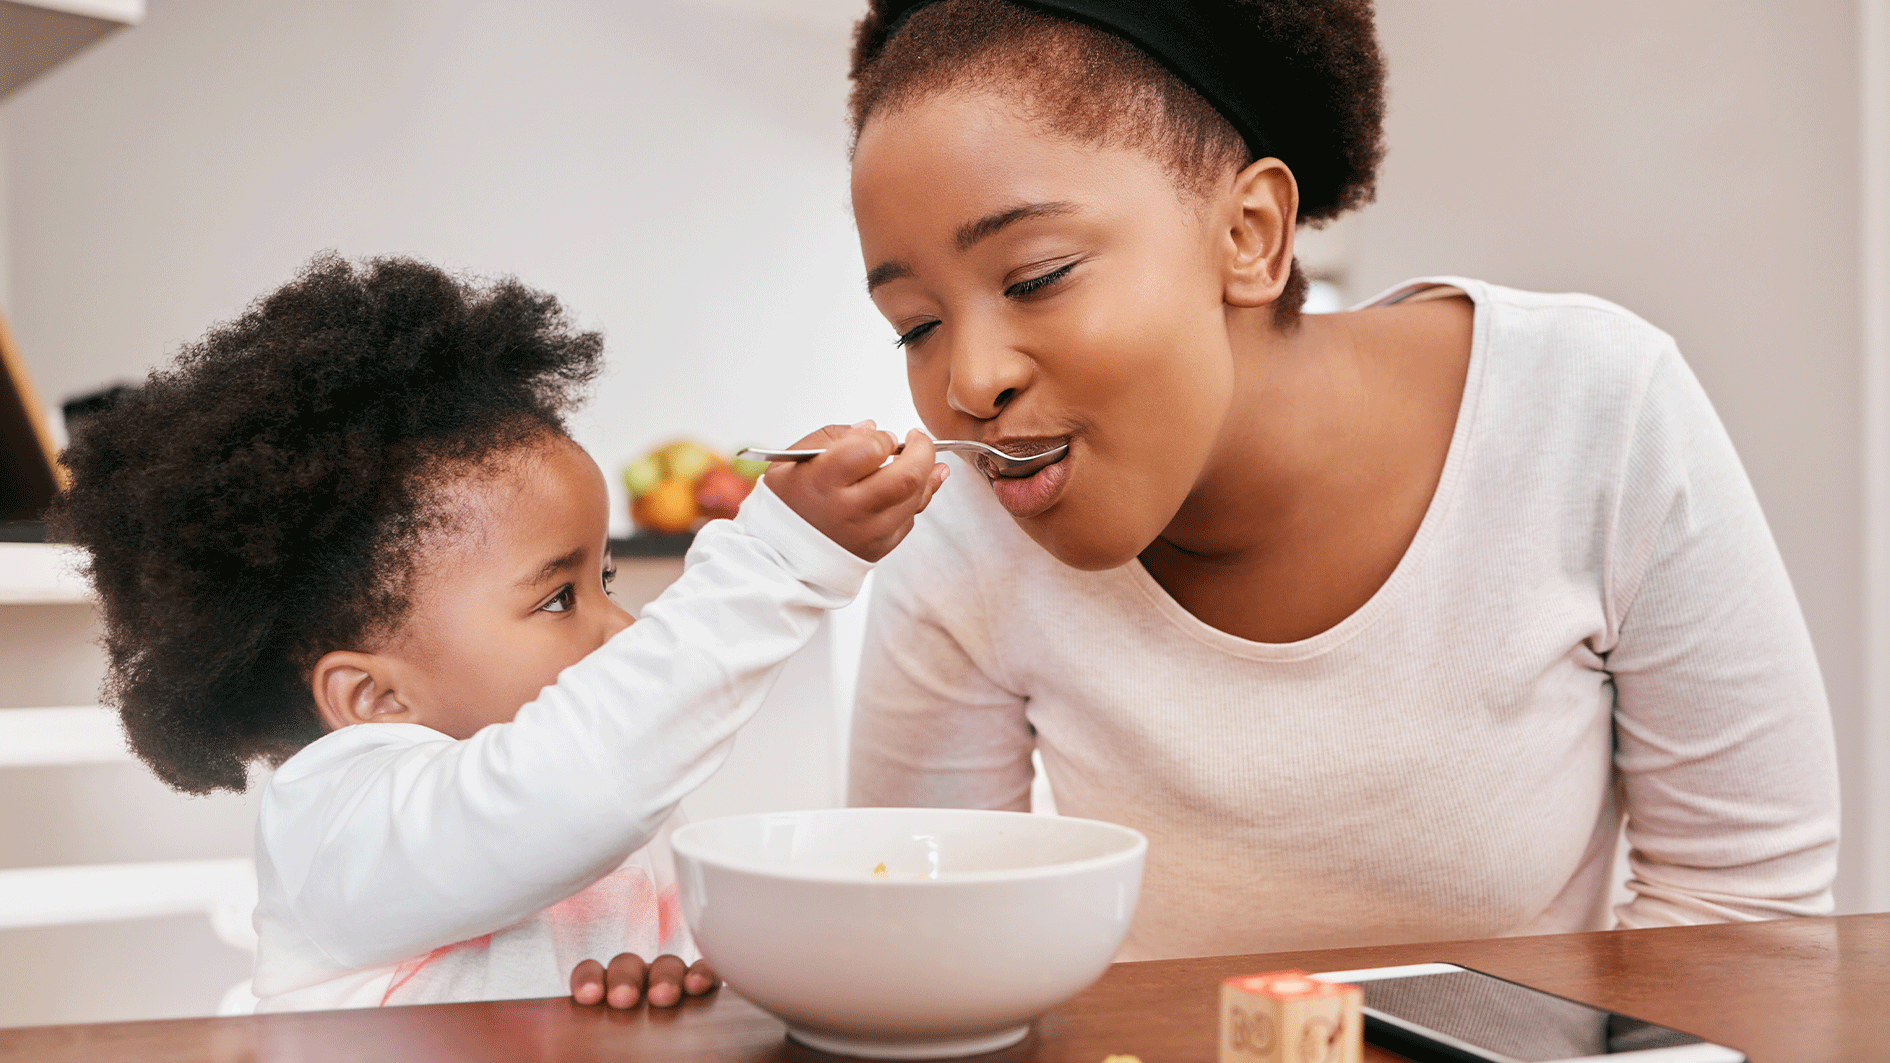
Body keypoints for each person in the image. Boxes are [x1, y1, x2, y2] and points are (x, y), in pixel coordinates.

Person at [842, 0, 1841, 960]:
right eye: (917, 326)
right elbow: (925, 941)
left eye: (1036, 276)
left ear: (1249, 236)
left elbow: (1744, 916)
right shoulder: (964, 527)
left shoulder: (1593, 412)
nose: (970, 382)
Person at [49, 254, 947, 1009]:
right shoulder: (338, 822)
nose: (621, 624)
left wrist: (669, 983)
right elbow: (574, 781)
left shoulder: (599, 818)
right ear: (373, 698)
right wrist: (779, 560)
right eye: (559, 597)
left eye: (602, 579)